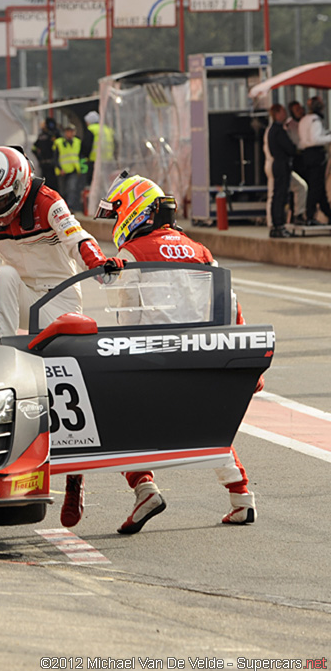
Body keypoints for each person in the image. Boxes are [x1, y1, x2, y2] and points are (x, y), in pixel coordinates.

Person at [81, 173, 258, 533]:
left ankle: (145, 489)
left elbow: (126, 318)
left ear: (135, 210)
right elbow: (230, 304)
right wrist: (248, 363)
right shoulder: (199, 250)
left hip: (155, 361)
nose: (117, 222)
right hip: (204, 360)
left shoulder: (132, 253)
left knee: (114, 422)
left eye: (118, 214)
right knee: (209, 429)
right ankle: (242, 499)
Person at [0, 145, 124, 345]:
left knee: (3, 274)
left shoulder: (48, 201)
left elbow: (76, 237)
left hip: (59, 300)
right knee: (2, 274)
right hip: (21, 299)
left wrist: (100, 265)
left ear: (19, 185)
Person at [264, 104, 297, 239]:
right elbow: (289, 148)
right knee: (280, 194)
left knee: (277, 194)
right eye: (283, 112)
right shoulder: (278, 130)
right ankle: (279, 224)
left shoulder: (272, 130)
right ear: (277, 114)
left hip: (276, 164)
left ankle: (276, 224)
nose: (285, 115)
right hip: (281, 164)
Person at [297, 96, 331, 226]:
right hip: (315, 156)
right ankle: (310, 216)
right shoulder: (315, 121)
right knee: (315, 187)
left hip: (306, 156)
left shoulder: (304, 120)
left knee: (318, 187)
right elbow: (315, 140)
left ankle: (327, 212)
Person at [53, 124, 83, 213]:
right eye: (68, 131)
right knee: (62, 190)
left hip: (73, 169)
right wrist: (59, 168)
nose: (70, 133)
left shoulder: (78, 142)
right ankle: (63, 207)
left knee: (72, 188)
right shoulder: (58, 142)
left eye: (72, 131)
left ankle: (70, 207)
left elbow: (80, 155)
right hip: (62, 170)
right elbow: (55, 157)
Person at [34, 117, 60, 192]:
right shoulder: (54, 135)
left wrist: (39, 158)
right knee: (53, 185)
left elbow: (34, 148)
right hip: (51, 163)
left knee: (46, 184)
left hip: (44, 163)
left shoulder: (41, 136)